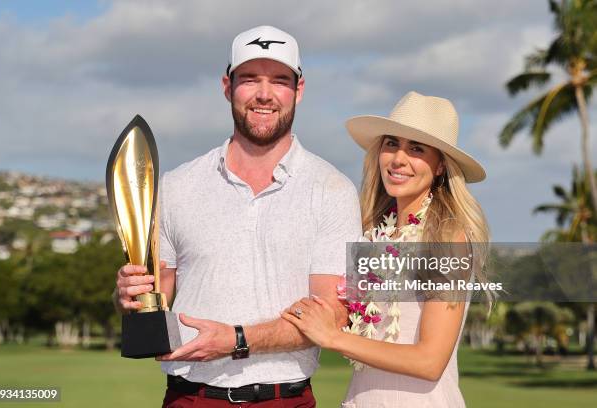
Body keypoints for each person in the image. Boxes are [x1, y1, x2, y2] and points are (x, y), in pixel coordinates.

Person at [113, 25, 361, 407]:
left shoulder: (333, 189)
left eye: (280, 80)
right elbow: (156, 294)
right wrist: (128, 297)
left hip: (285, 399)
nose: (264, 94)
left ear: (299, 89)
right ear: (228, 86)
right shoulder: (177, 185)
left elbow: (331, 313)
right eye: (250, 79)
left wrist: (236, 339)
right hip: (190, 397)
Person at [282, 91, 490, 407]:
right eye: (391, 143)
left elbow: (430, 361)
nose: (398, 159)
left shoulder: (448, 238)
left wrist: (333, 338)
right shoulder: (372, 235)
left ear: (439, 167)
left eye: (416, 149)